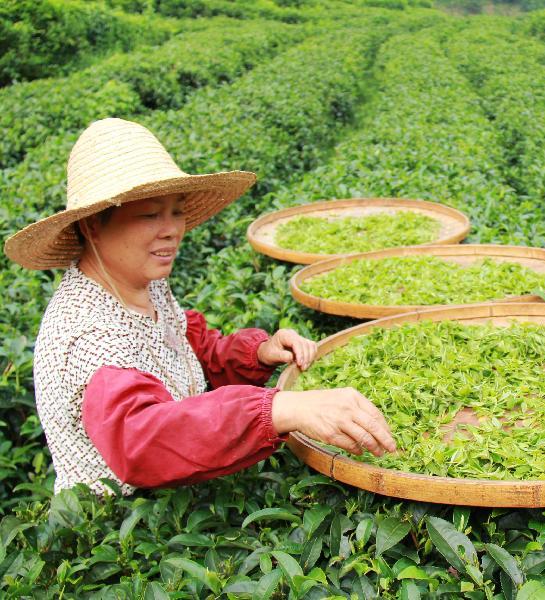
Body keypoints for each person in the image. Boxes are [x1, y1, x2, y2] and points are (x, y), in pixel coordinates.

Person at [4, 118, 396, 496]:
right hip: (123, 523)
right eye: (149, 214)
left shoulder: (141, 283)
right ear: (92, 226)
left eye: (176, 210)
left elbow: (188, 349)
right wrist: (280, 408)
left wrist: (259, 352)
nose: (172, 229)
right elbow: (141, 441)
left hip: (177, 497)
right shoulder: (90, 334)